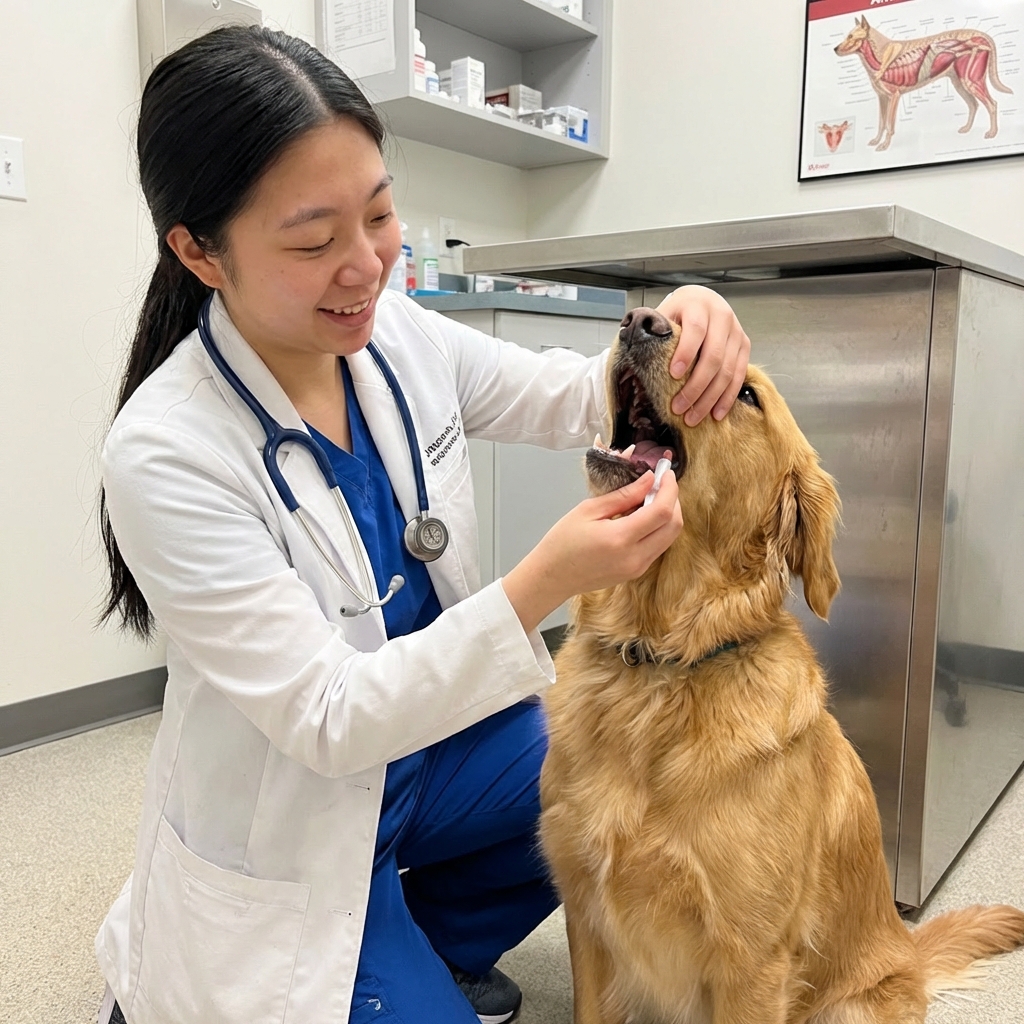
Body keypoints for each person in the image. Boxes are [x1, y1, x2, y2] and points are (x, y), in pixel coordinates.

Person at [94, 26, 751, 1024]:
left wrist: (685, 319)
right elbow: (327, 716)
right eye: (314, 241)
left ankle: (423, 941)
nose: (364, 266)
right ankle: (335, 957)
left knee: (601, 763)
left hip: (420, 748)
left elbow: (577, 396)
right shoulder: (165, 451)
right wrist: (545, 579)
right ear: (199, 250)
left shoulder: (393, 333)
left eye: (381, 213)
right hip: (298, 809)